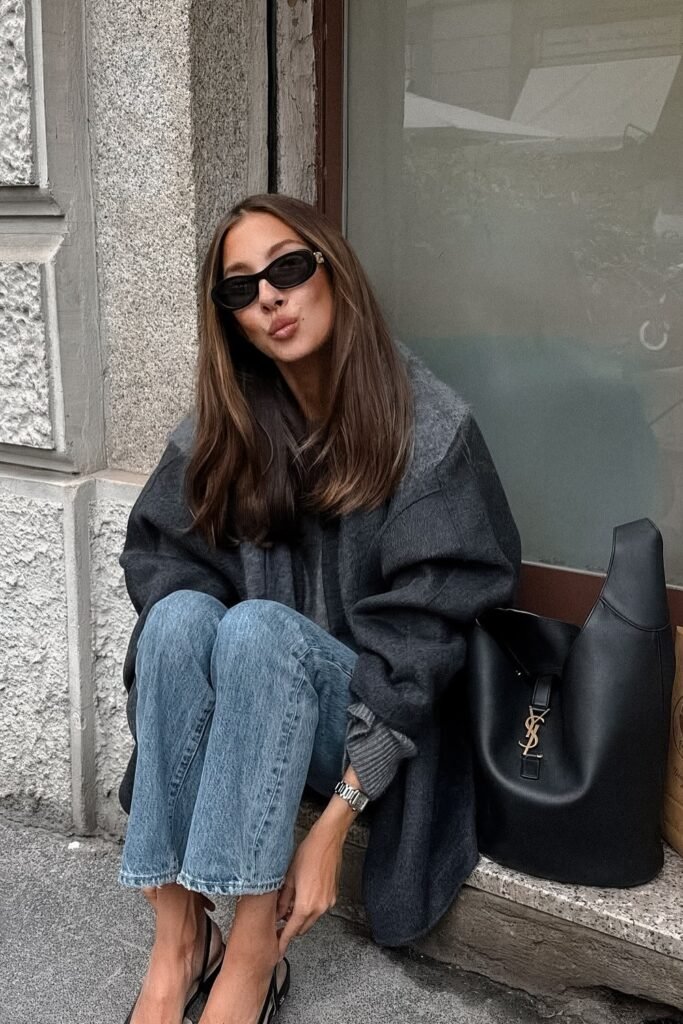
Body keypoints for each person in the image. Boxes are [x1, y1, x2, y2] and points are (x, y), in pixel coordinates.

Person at [116, 193, 522, 1024]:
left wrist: (336, 820)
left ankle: (254, 945)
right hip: (253, 711)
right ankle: (178, 935)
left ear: (332, 274)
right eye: (239, 289)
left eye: (288, 269)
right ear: (228, 318)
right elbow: (162, 559)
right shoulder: (225, 428)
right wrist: (208, 656)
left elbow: (430, 638)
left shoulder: (427, 427)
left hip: (371, 725)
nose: (268, 296)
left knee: (259, 630)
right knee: (181, 617)